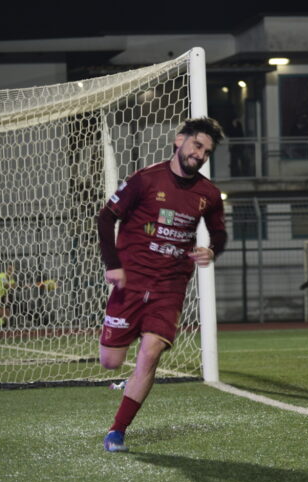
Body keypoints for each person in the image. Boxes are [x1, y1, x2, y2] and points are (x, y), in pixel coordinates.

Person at [97, 117, 227, 452]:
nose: (199, 155)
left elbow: (220, 234)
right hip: (131, 282)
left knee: (150, 354)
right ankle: (129, 379)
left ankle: (117, 431)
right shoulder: (145, 179)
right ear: (179, 140)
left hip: (170, 285)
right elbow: (106, 216)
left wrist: (210, 250)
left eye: (206, 152)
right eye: (197, 145)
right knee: (110, 362)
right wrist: (113, 265)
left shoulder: (208, 194)